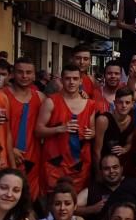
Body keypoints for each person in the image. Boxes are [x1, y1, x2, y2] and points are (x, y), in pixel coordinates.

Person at [36, 65, 98, 195]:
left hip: (81, 166)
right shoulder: (51, 102)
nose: (71, 82)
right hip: (55, 165)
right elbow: (38, 131)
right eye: (68, 78)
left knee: (76, 206)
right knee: (54, 205)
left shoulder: (90, 104)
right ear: (61, 80)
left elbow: (92, 130)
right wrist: (59, 129)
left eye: (75, 79)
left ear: (81, 81)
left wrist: (92, 134)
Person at [5, 57, 45, 201]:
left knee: (29, 198)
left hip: (33, 156)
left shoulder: (40, 97)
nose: (24, 76)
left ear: (34, 75)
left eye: (29, 72)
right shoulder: (3, 95)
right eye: (20, 72)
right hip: (8, 154)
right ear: (13, 73)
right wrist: (10, 149)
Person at [76, 154, 124, 220]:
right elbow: (71, 209)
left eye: (115, 167)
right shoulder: (91, 190)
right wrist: (92, 209)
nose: (111, 171)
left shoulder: (130, 186)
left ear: (121, 169)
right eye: (106, 169)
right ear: (101, 171)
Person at [93, 86, 136, 169]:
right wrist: (98, 173)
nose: (124, 106)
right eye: (120, 102)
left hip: (119, 167)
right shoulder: (103, 120)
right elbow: (96, 151)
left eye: (127, 102)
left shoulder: (131, 121)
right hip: (103, 166)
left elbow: (129, 143)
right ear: (115, 102)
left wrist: (125, 149)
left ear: (132, 104)